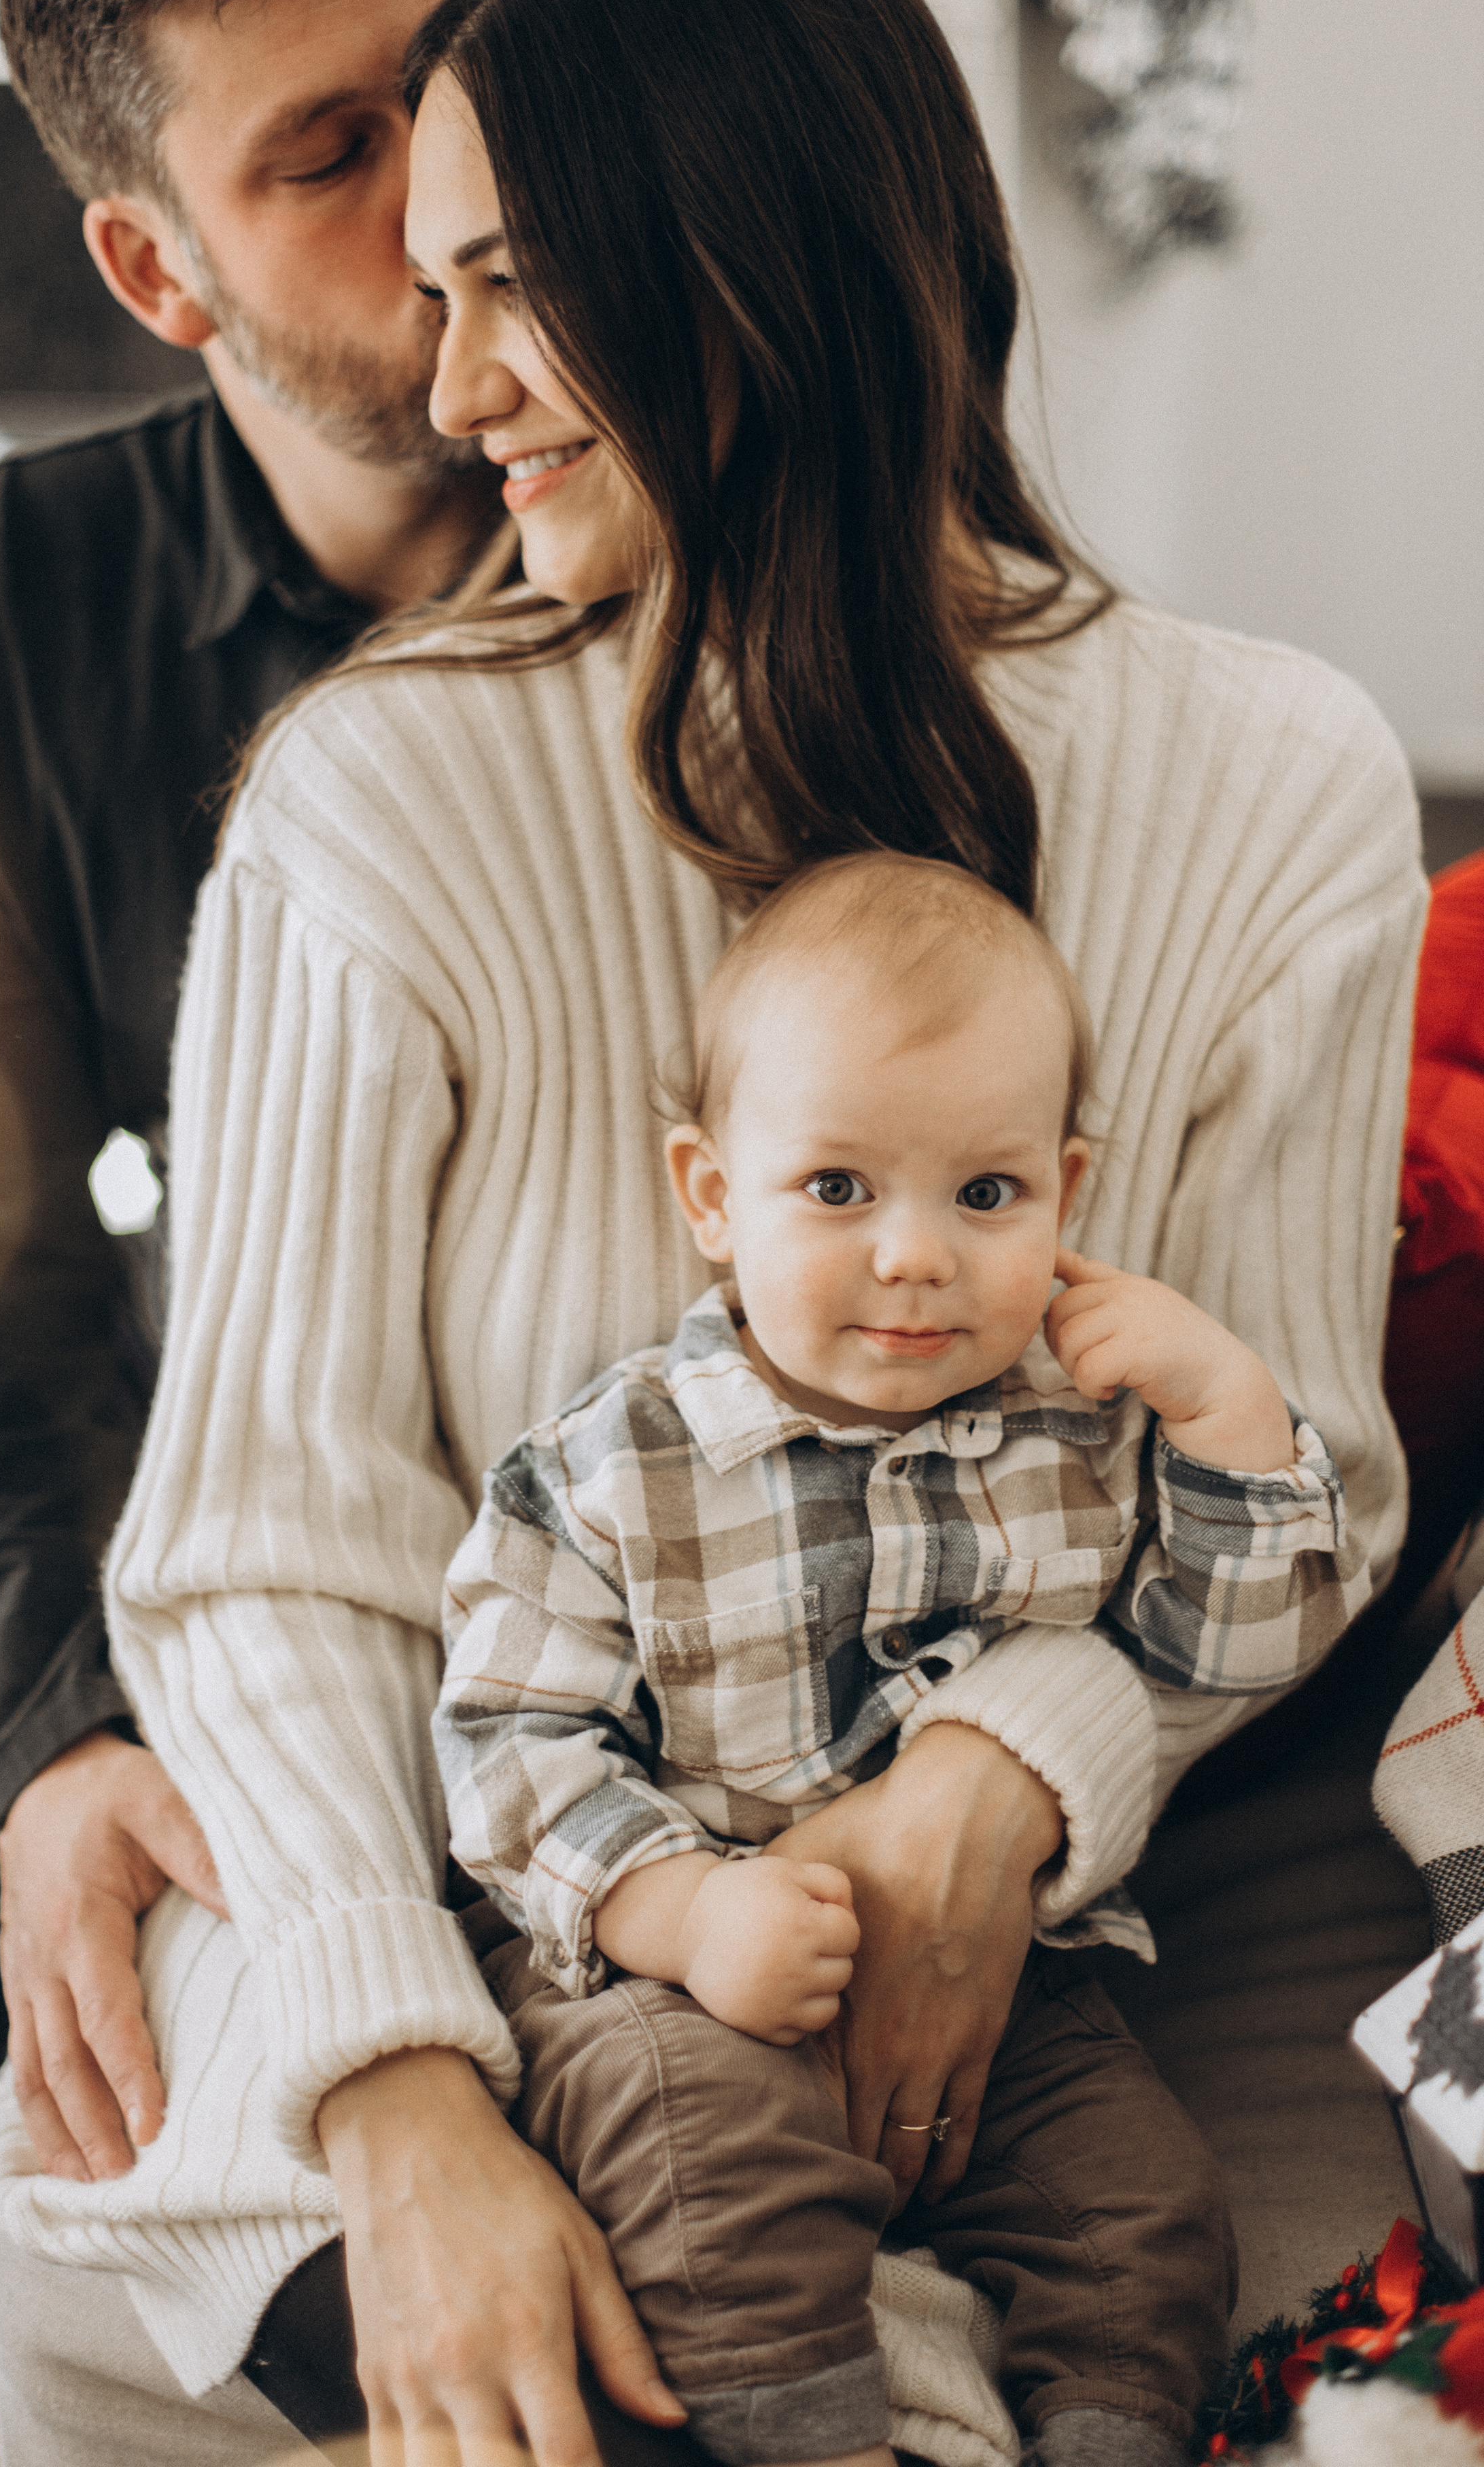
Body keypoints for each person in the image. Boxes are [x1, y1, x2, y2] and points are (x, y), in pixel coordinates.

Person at [0, 0, 1426, 2464]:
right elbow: (269, 1552)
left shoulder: (1270, 780)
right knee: (280, 2259)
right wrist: (401, 2100)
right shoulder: (371, 798)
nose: (460, 381)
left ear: (763, 261)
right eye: (432, 283)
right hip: (484, 1859)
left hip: (1095, 1902)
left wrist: (997, 1784)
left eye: (520, 284)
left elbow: (1296, 1443)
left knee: (1156, 2313)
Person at [0, 0, 498, 2461]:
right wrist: (59, 1735)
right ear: (160, 277)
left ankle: (109, 2281)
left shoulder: (689, 528)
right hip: (206, 1424)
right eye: (333, 151)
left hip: (550, 1489)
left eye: (467, 65)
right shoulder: (8, 581)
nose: (462, 182)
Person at [436, 849, 1371, 2467]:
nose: (914, 1256)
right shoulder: (610, 1464)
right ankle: (817, 2436)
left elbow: (1222, 1657)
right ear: (713, 1197)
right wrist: (682, 1907)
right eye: (838, 1190)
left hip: (1007, 1977)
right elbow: (508, 1746)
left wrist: (1226, 1414)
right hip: (672, 1974)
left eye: (983, 1195)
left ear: (1063, 1192)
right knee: (701, 2157)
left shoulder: (1081, 1428)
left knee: (1143, 2205)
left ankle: (1103, 2432)